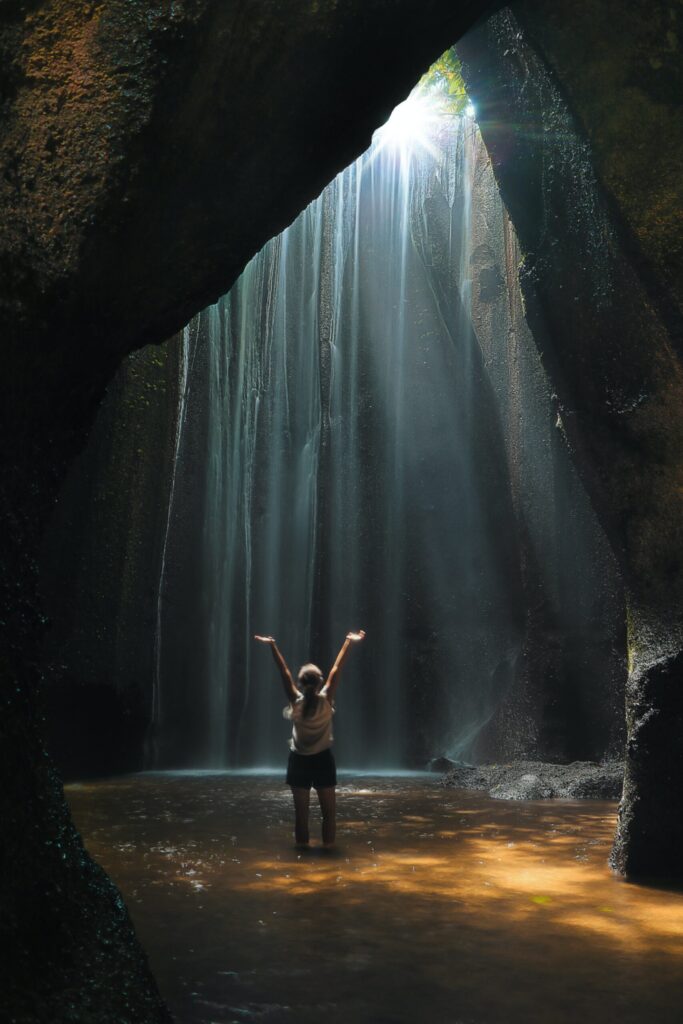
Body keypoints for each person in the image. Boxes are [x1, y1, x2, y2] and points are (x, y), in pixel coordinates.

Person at [253, 630, 365, 848]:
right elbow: (336, 669)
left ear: (301, 683)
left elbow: (283, 672)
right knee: (329, 814)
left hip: (299, 761)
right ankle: (329, 853)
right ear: (320, 681)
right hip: (323, 760)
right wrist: (348, 642)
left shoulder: (296, 702)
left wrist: (272, 646)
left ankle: (301, 858)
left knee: (301, 815)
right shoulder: (326, 699)